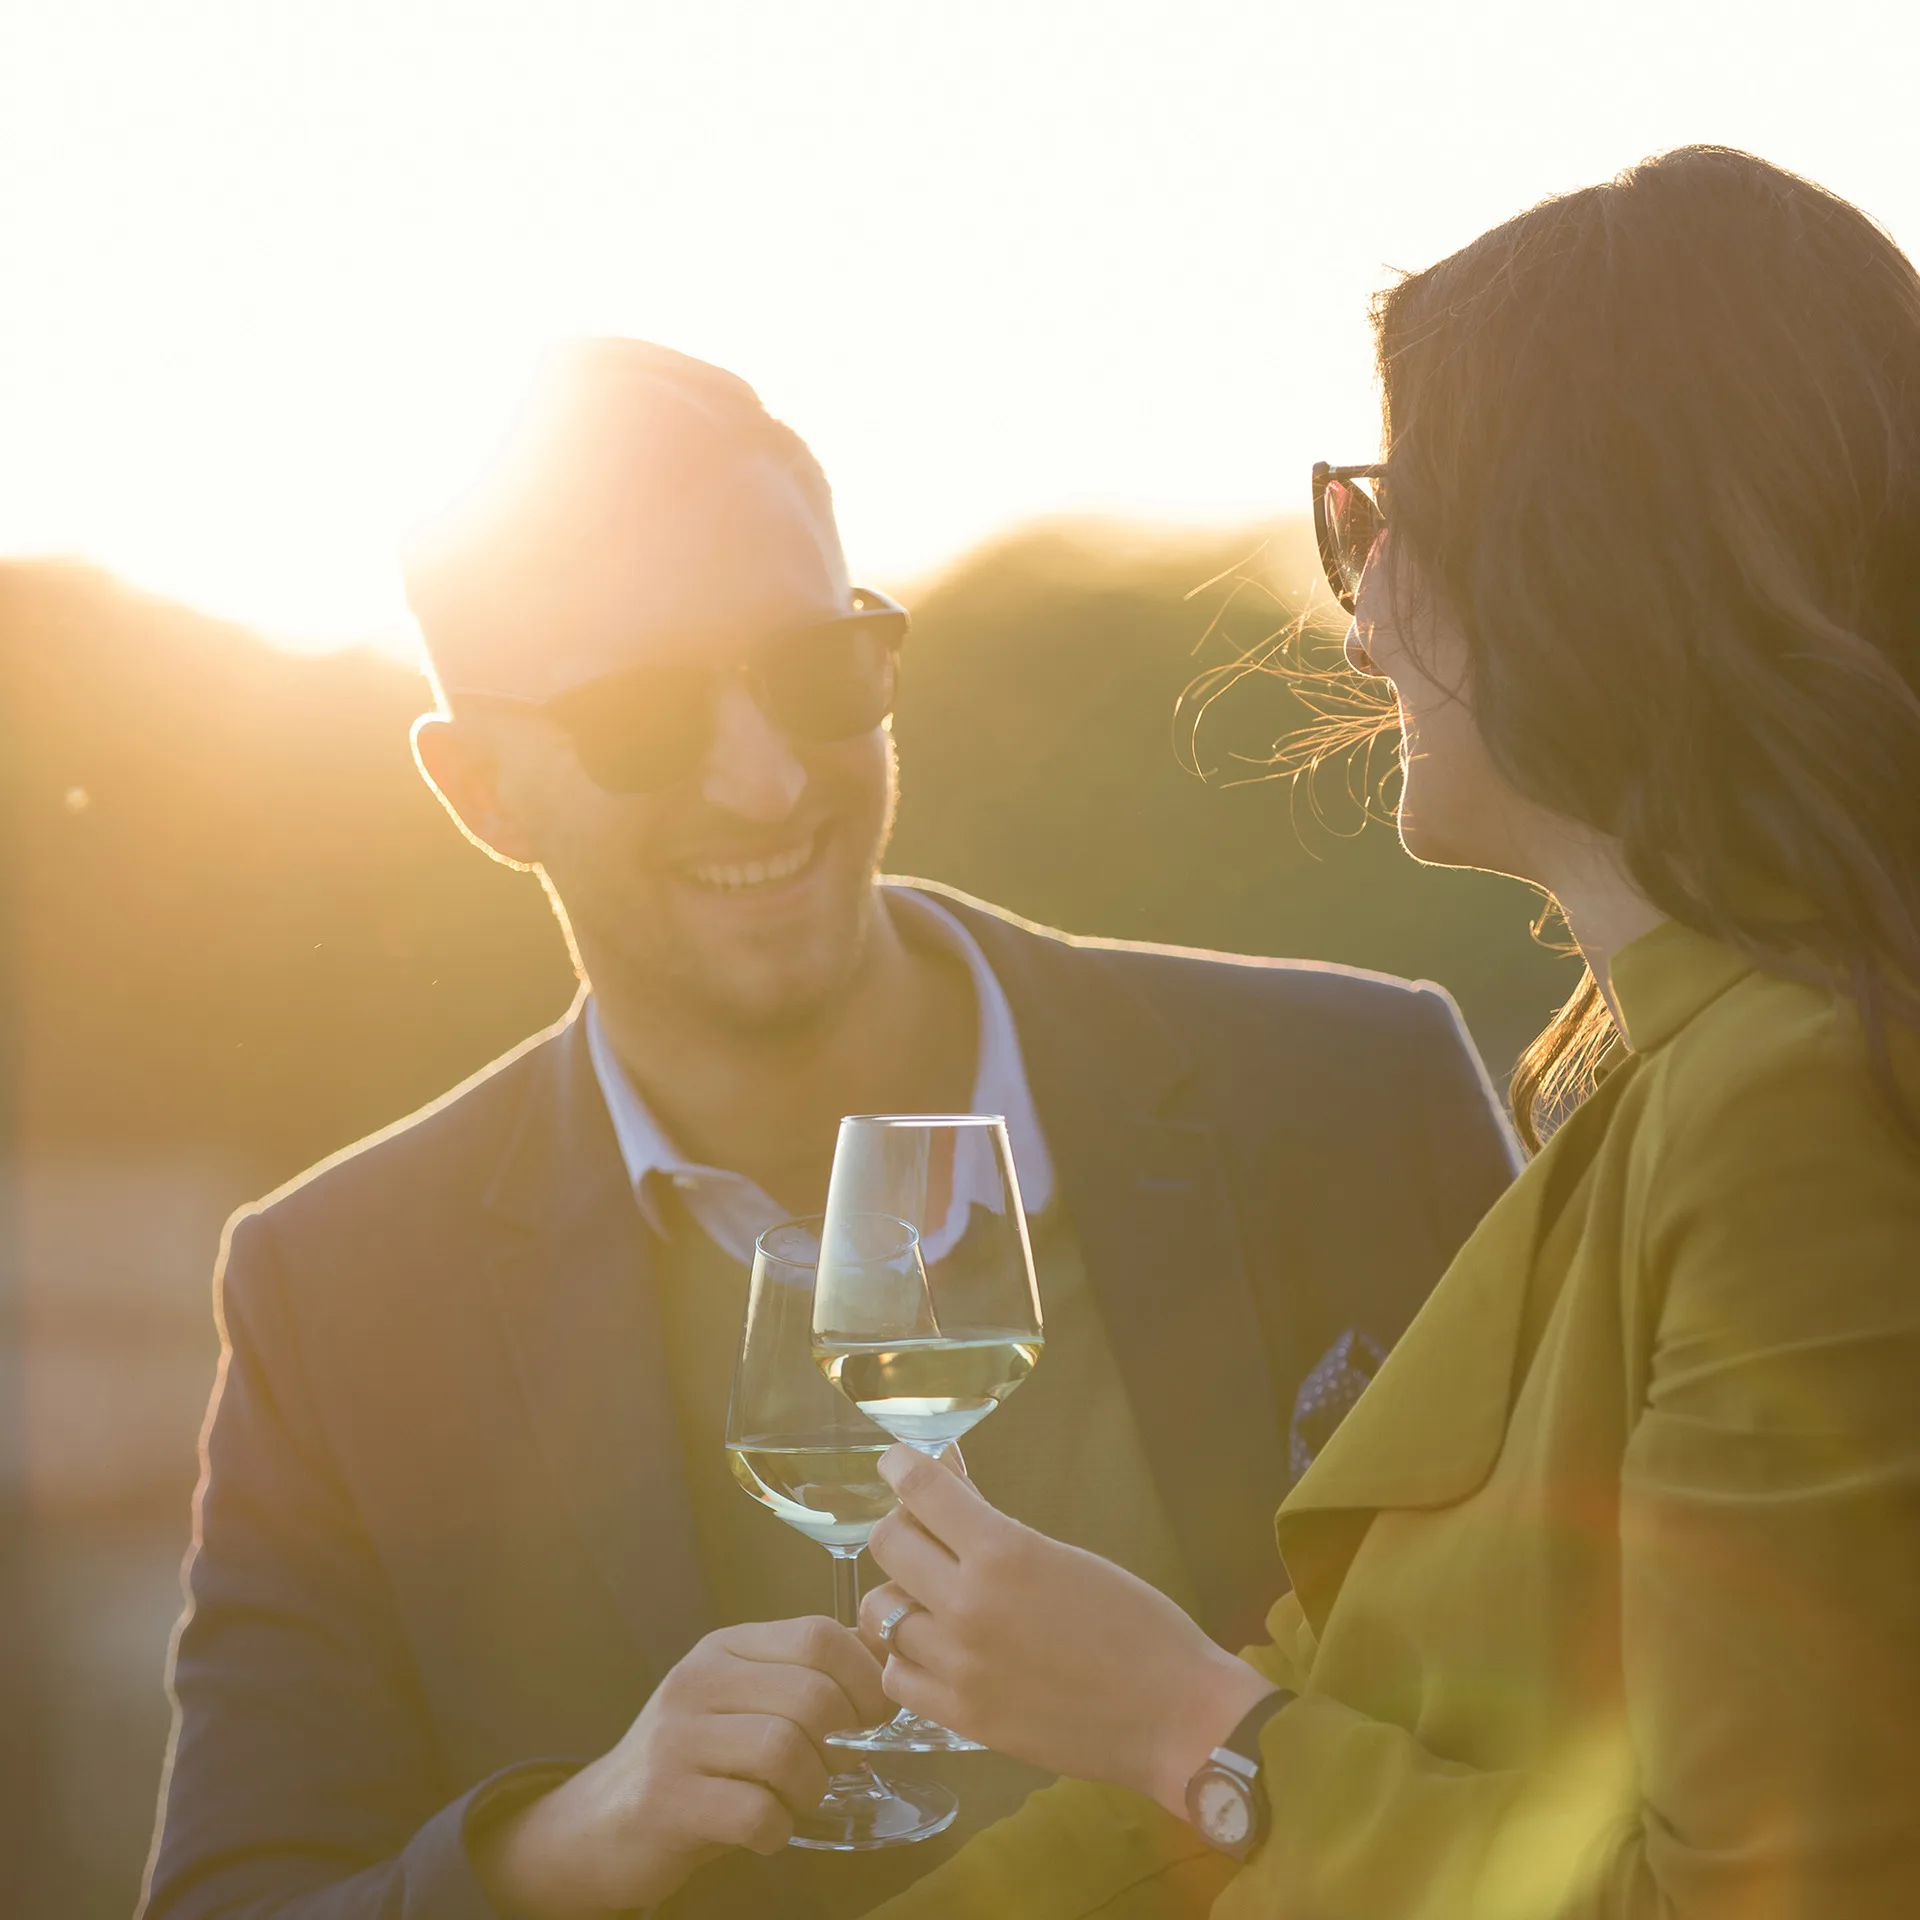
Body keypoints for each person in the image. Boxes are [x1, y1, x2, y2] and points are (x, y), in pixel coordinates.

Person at [139, 340, 1519, 1920]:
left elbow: (1596, 1727)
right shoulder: (338, 1295)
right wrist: (563, 1845)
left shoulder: (1353, 1093)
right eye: (642, 722)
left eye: (812, 674)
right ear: (483, 793)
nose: (764, 778)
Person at [847, 145, 1920, 1920]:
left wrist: (1187, 1721)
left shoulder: (1794, 1107)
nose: (1359, 606)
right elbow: (1303, 1752)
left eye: (1383, 513)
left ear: (1589, 557)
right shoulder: (1647, 1091)